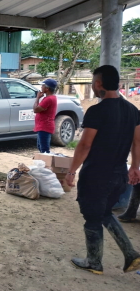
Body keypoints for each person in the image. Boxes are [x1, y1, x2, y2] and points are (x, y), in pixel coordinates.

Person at [65, 65, 140, 275]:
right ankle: (131, 253)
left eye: (93, 82)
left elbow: (85, 145)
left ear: (99, 84)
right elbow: (137, 142)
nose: (92, 85)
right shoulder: (133, 110)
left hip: (97, 175)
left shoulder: (97, 111)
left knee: (92, 216)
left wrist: (71, 171)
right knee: (105, 212)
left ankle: (94, 262)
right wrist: (134, 167)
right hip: (118, 174)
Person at [33, 79, 58, 153]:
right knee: (41, 147)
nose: (41, 87)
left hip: (45, 126)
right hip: (43, 126)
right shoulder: (49, 98)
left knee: (44, 150)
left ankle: (46, 163)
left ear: (47, 89)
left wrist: (37, 98)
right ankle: (45, 162)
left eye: (43, 86)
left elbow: (35, 109)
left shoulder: (49, 99)